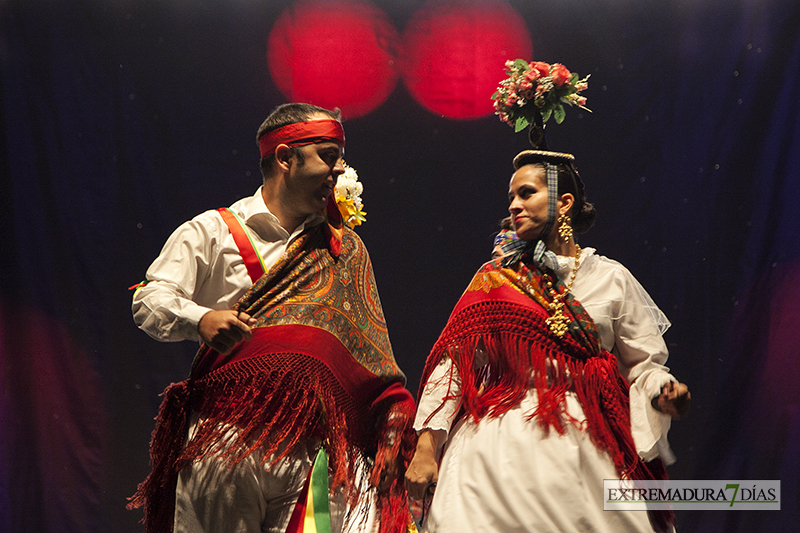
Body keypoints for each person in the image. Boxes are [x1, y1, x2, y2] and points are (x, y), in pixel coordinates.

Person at [128, 103, 415, 533]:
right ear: (284, 158)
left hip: (313, 449)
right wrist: (200, 319)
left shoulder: (345, 250)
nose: (339, 170)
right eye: (328, 156)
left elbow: (370, 354)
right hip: (225, 436)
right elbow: (149, 300)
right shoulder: (213, 231)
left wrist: (393, 414)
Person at [405, 146, 690, 532]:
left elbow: (644, 365)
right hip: (497, 441)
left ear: (564, 201)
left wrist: (663, 391)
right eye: (511, 198)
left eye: (527, 193)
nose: (514, 206)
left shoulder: (610, 277)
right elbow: (453, 365)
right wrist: (426, 448)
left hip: (588, 440)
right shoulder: (496, 277)